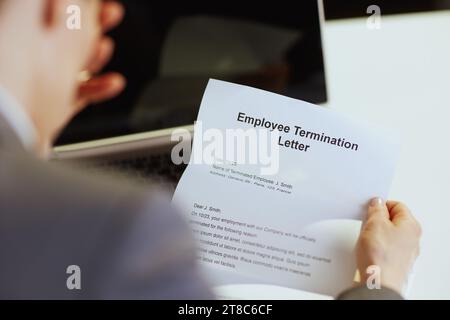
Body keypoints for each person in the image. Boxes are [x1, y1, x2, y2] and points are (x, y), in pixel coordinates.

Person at [0, 0, 421, 299]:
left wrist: (32, 141)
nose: (109, 17)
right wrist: (378, 281)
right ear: (55, 6)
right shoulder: (121, 229)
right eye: (97, 6)